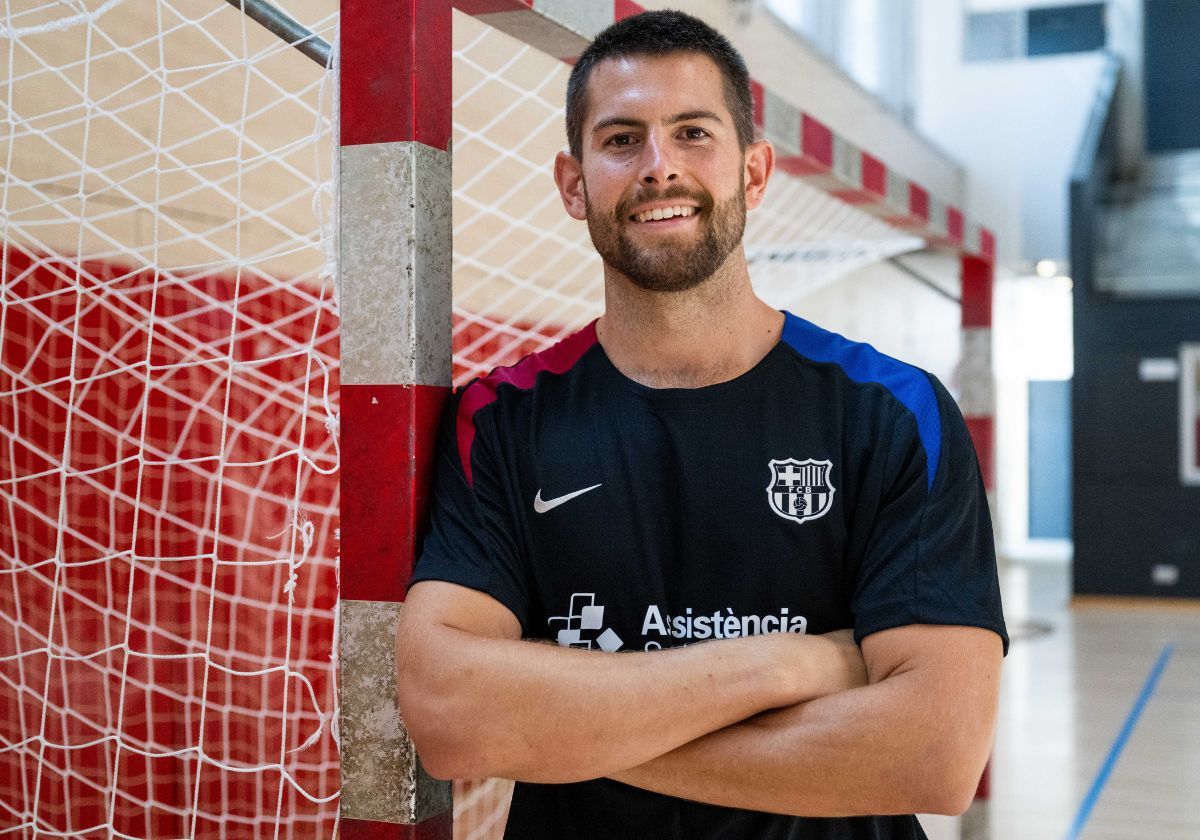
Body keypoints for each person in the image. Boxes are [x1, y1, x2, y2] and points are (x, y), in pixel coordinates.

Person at [397, 10, 1007, 839]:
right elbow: (450, 715)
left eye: (693, 133)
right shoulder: (502, 418)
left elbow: (935, 757)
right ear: (573, 185)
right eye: (620, 139)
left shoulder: (893, 412)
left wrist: (556, 732)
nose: (659, 167)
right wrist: (794, 661)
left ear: (754, 174)